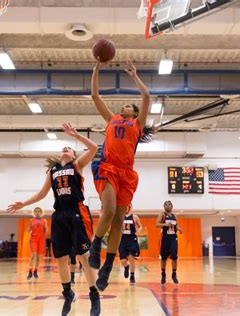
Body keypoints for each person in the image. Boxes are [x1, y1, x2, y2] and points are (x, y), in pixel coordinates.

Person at [7, 122, 101, 316]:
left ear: (74, 155)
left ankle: (94, 295)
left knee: (84, 257)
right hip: (59, 215)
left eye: (69, 148)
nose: (65, 149)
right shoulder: (53, 171)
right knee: (60, 259)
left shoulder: (77, 165)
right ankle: (68, 293)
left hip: (76, 211)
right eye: (63, 148)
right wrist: (23, 204)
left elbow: (94, 148)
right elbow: (42, 194)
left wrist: (76, 135)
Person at [89, 59, 150, 292]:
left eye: (128, 106)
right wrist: (96, 69)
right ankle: (95, 245)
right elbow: (95, 95)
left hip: (127, 174)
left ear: (133, 114)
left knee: (117, 221)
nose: (124, 107)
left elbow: (146, 98)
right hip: (108, 167)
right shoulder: (111, 119)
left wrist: (135, 76)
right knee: (110, 210)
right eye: (123, 105)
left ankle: (107, 266)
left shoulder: (138, 125)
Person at [156, 201, 182, 285]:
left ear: (172, 206)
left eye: (169, 204)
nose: (167, 206)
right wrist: (165, 224)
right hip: (165, 238)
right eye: (166, 205)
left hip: (173, 238)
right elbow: (157, 224)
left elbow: (175, 225)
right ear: (164, 206)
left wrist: (179, 229)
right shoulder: (162, 215)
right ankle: (163, 274)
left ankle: (174, 274)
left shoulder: (174, 216)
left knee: (174, 257)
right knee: (163, 258)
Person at [119, 204, 143, 285]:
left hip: (131, 239)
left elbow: (140, 227)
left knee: (131, 258)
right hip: (122, 240)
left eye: (127, 206)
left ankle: (132, 276)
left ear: (130, 207)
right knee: (122, 260)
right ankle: (126, 267)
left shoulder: (134, 217)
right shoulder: (120, 216)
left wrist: (138, 231)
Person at [27, 207, 48, 280]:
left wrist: (45, 226)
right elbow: (28, 230)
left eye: (39, 211)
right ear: (34, 212)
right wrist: (29, 229)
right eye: (35, 211)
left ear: (41, 212)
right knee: (33, 255)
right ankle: (30, 271)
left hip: (41, 239)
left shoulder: (44, 220)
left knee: (38, 257)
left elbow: (46, 231)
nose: (37, 212)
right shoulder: (31, 220)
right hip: (33, 239)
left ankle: (35, 271)